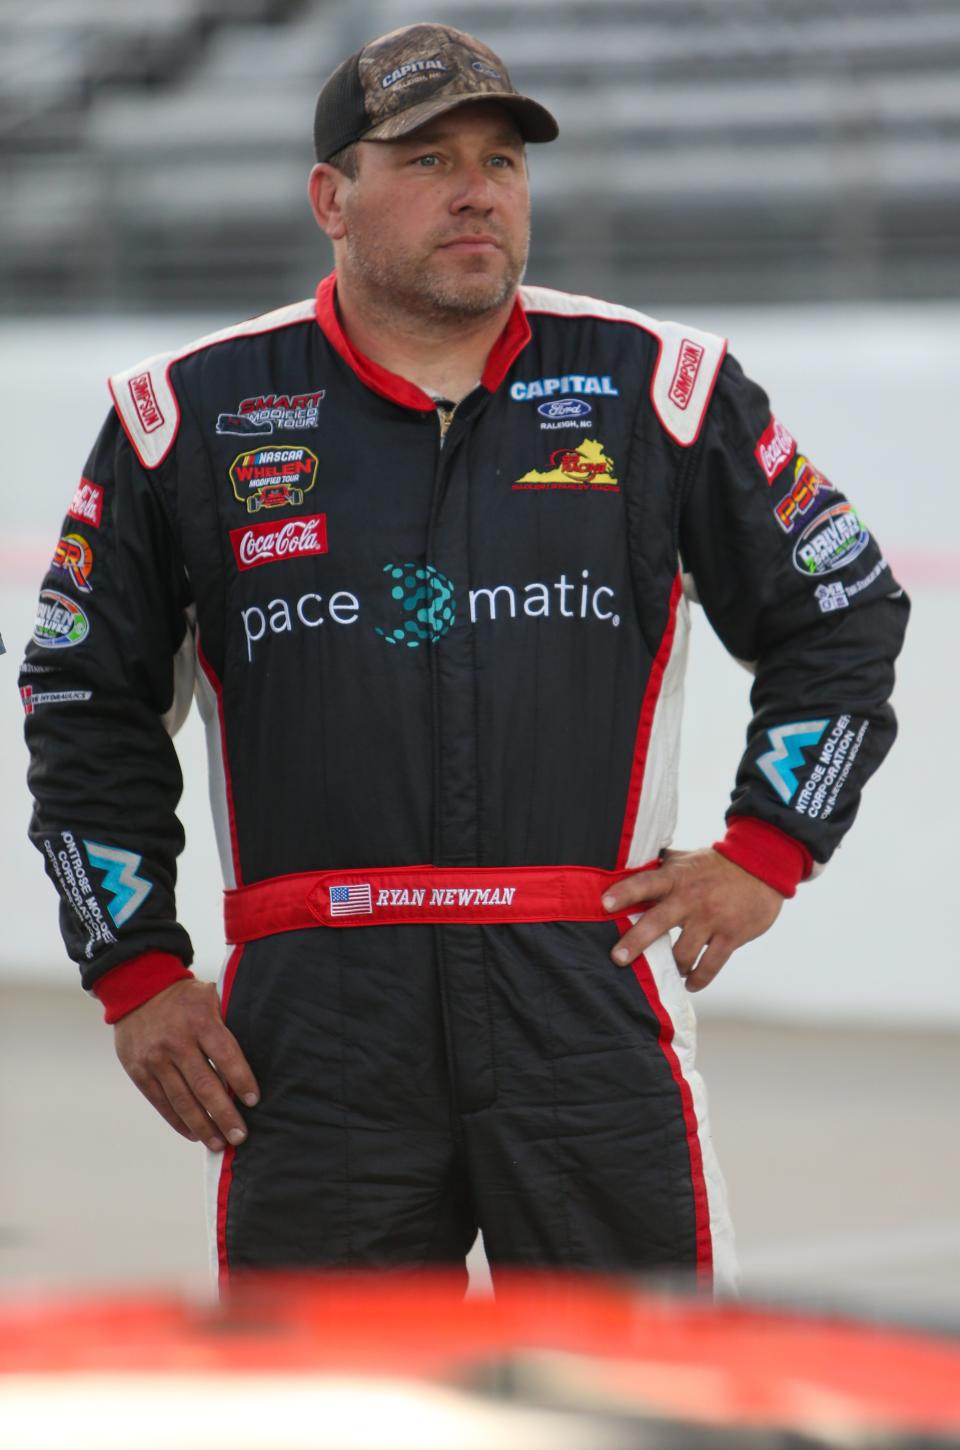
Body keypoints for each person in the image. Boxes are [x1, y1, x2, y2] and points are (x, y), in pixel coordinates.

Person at [21, 22, 907, 1294]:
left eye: (501, 160)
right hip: (316, 1026)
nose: (477, 188)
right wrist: (134, 966)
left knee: (643, 1402)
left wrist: (772, 846)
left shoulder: (662, 387)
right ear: (331, 197)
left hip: (586, 1003)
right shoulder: (185, 418)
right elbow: (80, 698)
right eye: (428, 159)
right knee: (328, 1413)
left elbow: (844, 609)